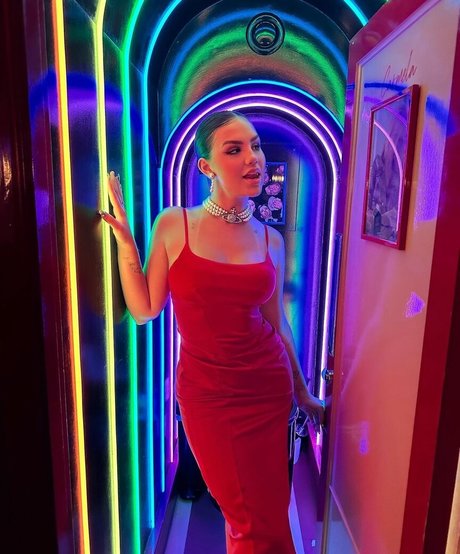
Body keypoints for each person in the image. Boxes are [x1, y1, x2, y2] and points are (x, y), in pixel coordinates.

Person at [100, 110, 324, 553]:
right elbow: (144, 310)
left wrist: (302, 393)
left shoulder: (270, 239)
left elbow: (278, 324)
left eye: (255, 145)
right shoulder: (174, 224)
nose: (252, 157)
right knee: (245, 515)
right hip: (208, 396)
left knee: (266, 511)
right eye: (234, 149)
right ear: (206, 166)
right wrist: (126, 242)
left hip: (268, 389)